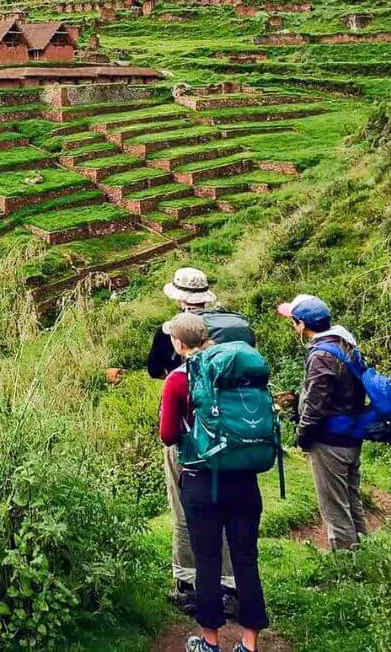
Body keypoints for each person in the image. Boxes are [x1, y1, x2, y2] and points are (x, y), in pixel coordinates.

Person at [160, 312, 269, 652]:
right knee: (246, 559)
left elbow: (168, 436)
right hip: (245, 480)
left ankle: (209, 642)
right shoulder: (236, 369)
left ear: (179, 343)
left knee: (207, 560)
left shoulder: (178, 379)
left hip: (202, 481)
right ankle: (249, 645)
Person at [149, 268, 250, 612]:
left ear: (178, 298)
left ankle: (188, 584)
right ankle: (233, 586)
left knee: (183, 509)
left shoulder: (171, 333)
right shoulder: (231, 330)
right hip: (233, 436)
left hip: (188, 440)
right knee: (228, 511)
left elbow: (152, 369)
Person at [276, 293, 368, 551]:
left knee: (334, 506)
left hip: (330, 441)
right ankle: (367, 554)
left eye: (294, 321)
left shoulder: (320, 357)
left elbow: (315, 406)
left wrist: (302, 438)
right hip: (351, 434)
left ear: (302, 325)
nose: (293, 326)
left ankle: (345, 565)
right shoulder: (345, 344)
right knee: (351, 498)